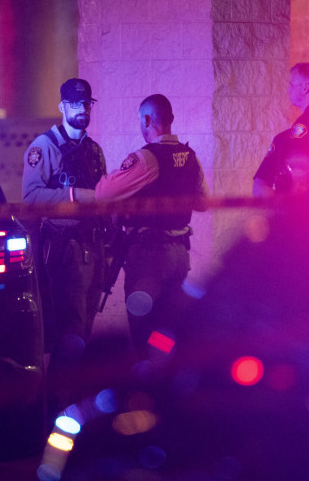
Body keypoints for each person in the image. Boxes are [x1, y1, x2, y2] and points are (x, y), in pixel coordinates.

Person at [94, 94, 208, 358]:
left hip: (149, 256)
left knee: (143, 329)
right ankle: (166, 380)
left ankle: (146, 390)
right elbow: (202, 203)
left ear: (147, 119)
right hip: (180, 254)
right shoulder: (190, 156)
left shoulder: (146, 158)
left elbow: (103, 192)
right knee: (167, 330)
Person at [21, 78, 107, 407]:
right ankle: (57, 403)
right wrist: (77, 196)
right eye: (75, 104)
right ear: (62, 107)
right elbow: (31, 198)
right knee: (69, 327)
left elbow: (105, 195)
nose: (82, 109)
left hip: (94, 245)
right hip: (64, 248)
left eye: (86, 104)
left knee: (84, 326)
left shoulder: (93, 150)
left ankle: (72, 399)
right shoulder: (44, 147)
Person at [252, 63, 309, 197]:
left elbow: (261, 184)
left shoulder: (287, 138)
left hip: (302, 214)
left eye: (291, 85)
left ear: (305, 88)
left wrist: (279, 211)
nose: (288, 90)